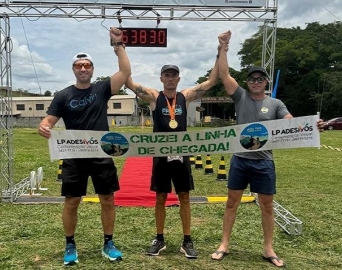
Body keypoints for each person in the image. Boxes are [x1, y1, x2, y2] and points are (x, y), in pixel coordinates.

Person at [211, 31, 325, 267]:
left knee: (267, 206)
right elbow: (223, 74)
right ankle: (224, 244)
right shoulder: (240, 97)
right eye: (252, 79)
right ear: (247, 82)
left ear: (265, 82)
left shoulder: (276, 104)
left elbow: (290, 122)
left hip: (264, 162)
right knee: (231, 203)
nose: (255, 82)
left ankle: (268, 249)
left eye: (260, 79)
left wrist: (311, 126)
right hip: (240, 160)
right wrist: (223, 47)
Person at [37, 27, 131, 265]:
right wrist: (44, 126)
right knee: (72, 201)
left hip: (101, 153)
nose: (83, 69)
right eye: (79, 66)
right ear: (73, 69)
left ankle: (108, 242)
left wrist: (118, 45)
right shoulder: (63, 95)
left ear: (92, 69)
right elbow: (49, 120)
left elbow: (125, 71)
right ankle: (70, 245)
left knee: (107, 199)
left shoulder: (101, 89)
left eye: (87, 65)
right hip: (73, 155)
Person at [124, 44, 222, 258]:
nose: (170, 78)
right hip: (160, 155)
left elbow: (212, 81)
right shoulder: (153, 97)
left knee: (184, 196)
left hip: (181, 153)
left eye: (174, 75)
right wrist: (120, 49)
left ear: (178, 79)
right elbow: (129, 82)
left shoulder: (185, 97)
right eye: (167, 75)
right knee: (160, 196)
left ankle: (187, 240)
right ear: (161, 78)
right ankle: (159, 239)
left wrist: (220, 51)